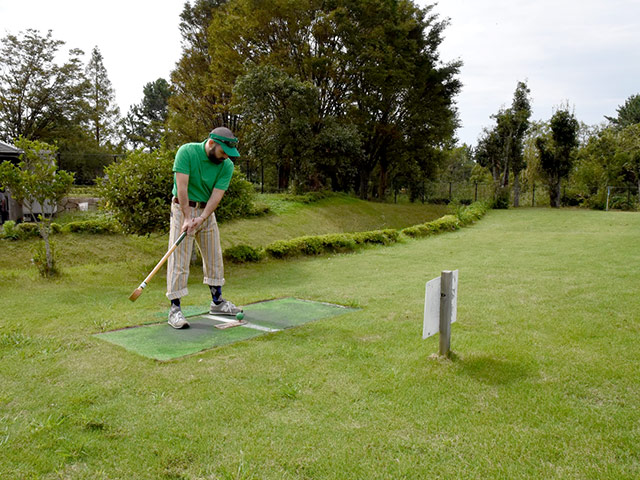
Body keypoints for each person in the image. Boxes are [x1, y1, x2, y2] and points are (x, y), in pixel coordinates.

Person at [166, 126, 243, 329]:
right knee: (179, 259)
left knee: (214, 256)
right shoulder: (187, 152)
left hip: (206, 213)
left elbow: (216, 195)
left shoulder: (226, 165)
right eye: (223, 152)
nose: (225, 157)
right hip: (182, 208)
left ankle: (217, 302)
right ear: (211, 144)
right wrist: (187, 217)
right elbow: (182, 187)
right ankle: (175, 310)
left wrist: (202, 217)